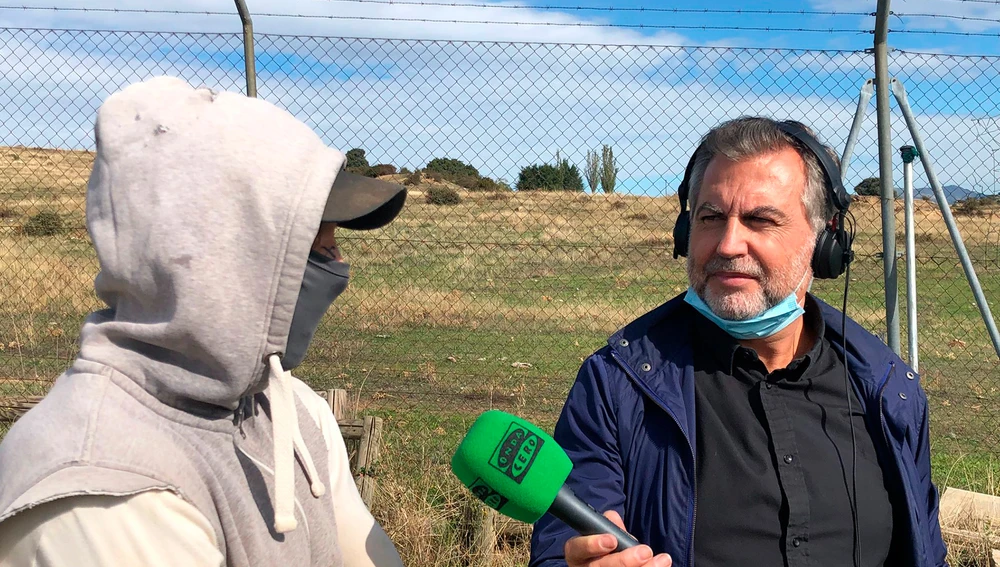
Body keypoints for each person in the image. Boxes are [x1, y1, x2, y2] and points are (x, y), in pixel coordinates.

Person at [0, 76, 408, 566]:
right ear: (214, 254)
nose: (340, 267)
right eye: (315, 246)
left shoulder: (292, 411)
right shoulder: (104, 495)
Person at [528, 116, 948, 567]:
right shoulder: (615, 386)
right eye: (710, 217)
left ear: (824, 240)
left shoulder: (889, 388)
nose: (729, 244)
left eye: (759, 219)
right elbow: (561, 548)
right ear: (686, 232)